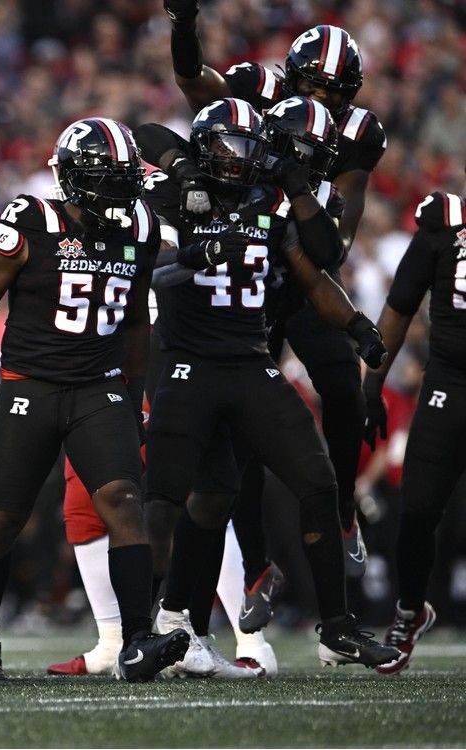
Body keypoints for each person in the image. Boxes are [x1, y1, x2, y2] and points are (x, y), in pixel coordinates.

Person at [141, 98, 397, 671]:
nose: (241, 158)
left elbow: (314, 271)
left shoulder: (269, 199)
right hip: (186, 364)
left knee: (317, 478)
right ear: (203, 147)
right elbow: (143, 270)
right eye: (231, 146)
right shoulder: (173, 193)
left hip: (250, 359)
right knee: (171, 499)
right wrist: (196, 251)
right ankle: (147, 625)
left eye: (250, 146)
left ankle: (337, 627)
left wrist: (356, 325)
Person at [0, 116, 190, 683]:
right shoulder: (32, 220)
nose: (123, 191)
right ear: (77, 178)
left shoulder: (140, 228)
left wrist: (132, 397)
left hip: (98, 386)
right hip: (30, 386)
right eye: (111, 178)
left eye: (128, 178)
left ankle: (135, 642)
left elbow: (133, 323)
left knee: (126, 500)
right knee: (3, 519)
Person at [162, 1, 387, 577]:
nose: (324, 102)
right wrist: (184, 25)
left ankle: (341, 508)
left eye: (337, 93)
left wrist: (304, 218)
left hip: (295, 262)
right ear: (290, 77)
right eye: (313, 86)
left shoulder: (358, 133)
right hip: (241, 267)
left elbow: (339, 235)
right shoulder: (251, 87)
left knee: (342, 382)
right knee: (243, 424)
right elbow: (191, 80)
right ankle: (258, 560)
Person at [364, 189, 466, 674]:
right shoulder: (444, 224)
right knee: (419, 507)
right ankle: (409, 610)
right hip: (451, 383)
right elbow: (400, 306)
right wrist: (373, 385)